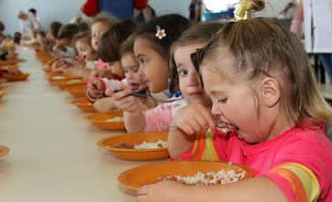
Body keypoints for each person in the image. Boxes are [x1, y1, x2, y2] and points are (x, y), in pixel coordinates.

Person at [138, 2, 332, 202]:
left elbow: (276, 194)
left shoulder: (309, 149)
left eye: (221, 98)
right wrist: (178, 127)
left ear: (268, 92)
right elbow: (183, 156)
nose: (214, 109)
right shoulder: (235, 139)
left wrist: (187, 195)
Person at [113, 14, 190, 132]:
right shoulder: (175, 105)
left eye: (143, 61)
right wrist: (132, 111)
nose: (140, 71)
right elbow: (141, 126)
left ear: (171, 58)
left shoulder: (193, 103)